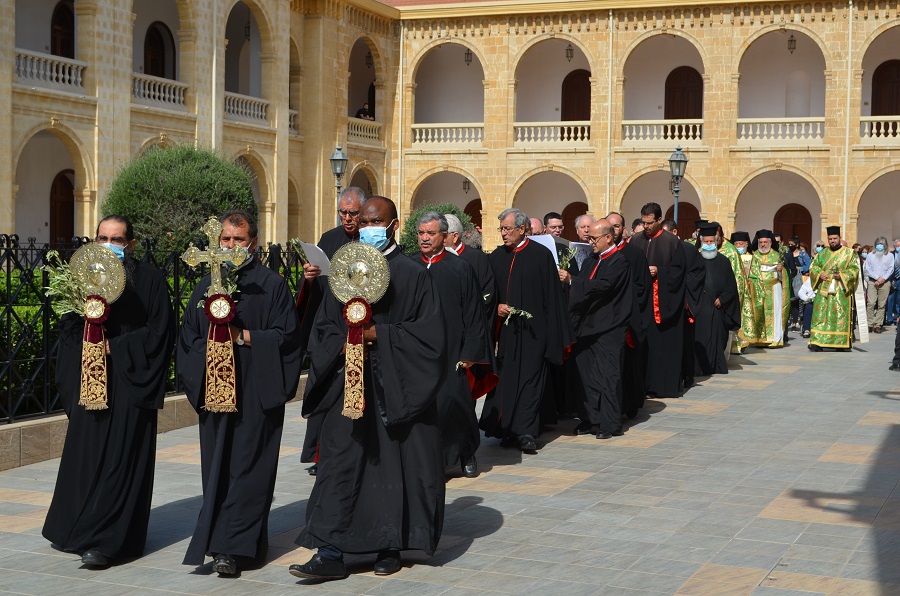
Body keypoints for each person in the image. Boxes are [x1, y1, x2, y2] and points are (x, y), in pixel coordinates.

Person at [291, 196, 446, 580]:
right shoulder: (344, 270)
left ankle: (388, 545)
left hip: (394, 389)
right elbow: (324, 328)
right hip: (348, 384)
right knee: (339, 464)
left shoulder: (412, 274)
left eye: (377, 222)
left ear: (393, 226)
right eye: (363, 222)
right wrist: (345, 340)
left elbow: (430, 337)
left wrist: (381, 334)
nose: (368, 228)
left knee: (389, 467)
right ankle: (329, 552)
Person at [43, 215, 174, 568]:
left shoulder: (149, 279)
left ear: (130, 244)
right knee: (84, 457)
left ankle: (106, 541)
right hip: (91, 381)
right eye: (102, 237)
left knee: (121, 460)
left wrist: (117, 347)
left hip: (130, 383)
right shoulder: (80, 279)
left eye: (117, 239)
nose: (109, 245)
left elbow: (160, 332)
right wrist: (88, 349)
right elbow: (68, 327)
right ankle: (74, 528)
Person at [180, 210, 303, 575]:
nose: (231, 246)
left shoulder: (272, 285)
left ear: (254, 244)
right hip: (214, 392)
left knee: (249, 468)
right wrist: (208, 355)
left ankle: (234, 549)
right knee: (216, 468)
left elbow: (288, 339)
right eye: (225, 239)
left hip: (255, 391)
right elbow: (188, 339)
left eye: (239, 240)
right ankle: (221, 543)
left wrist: (243, 337)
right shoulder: (205, 288)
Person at [479, 208, 572, 452]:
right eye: (501, 229)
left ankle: (527, 432)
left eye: (507, 229)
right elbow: (488, 294)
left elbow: (552, 298)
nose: (503, 234)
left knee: (531, 382)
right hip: (506, 335)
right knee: (506, 382)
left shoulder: (541, 256)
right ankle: (507, 429)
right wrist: (496, 306)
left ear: (522, 229)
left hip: (534, 333)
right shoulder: (497, 257)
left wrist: (554, 335)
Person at [414, 211, 495, 478]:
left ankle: (466, 453)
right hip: (418, 353)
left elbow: (473, 313)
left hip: (453, 353)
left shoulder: (460, 267)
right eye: (421, 233)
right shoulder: (410, 266)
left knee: (457, 405)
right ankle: (429, 460)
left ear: (444, 236)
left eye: (431, 233)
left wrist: (471, 351)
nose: (425, 238)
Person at [296, 186, 367, 475]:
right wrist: (310, 278)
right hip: (328, 328)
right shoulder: (329, 239)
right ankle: (318, 453)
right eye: (343, 212)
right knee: (322, 391)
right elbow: (318, 287)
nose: (347, 218)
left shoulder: (370, 240)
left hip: (359, 328)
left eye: (353, 213)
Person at [561, 219, 632, 439]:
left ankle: (609, 423)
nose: (590, 241)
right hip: (586, 327)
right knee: (585, 376)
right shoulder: (592, 259)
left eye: (594, 238)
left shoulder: (620, 262)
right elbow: (584, 285)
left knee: (608, 377)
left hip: (608, 328)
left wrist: (573, 281)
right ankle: (589, 418)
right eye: (589, 237)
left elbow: (605, 286)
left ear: (608, 238)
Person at [629, 203, 686, 398]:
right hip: (641, 303)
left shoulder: (671, 242)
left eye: (650, 223)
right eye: (643, 222)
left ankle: (661, 386)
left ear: (659, 220)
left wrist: (659, 272)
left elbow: (680, 272)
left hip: (663, 304)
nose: (646, 227)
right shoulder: (636, 240)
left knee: (661, 348)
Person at [607, 212, 651, 419]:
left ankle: (630, 404)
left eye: (617, 226)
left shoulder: (634, 254)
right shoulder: (599, 255)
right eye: (610, 226)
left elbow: (643, 287)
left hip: (629, 321)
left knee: (629, 366)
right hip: (606, 320)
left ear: (623, 230)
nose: (614, 230)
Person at [662, 219, 705, 389]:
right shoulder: (661, 249)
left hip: (684, 303)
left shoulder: (688, 250)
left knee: (685, 341)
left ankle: (686, 374)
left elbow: (698, 273)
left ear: (674, 233)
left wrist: (682, 287)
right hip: (664, 303)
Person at [693, 223, 741, 375]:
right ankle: (700, 368)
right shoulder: (695, 259)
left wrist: (722, 299)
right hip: (699, 308)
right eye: (706, 241)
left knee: (718, 338)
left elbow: (731, 286)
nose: (708, 244)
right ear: (701, 241)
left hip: (717, 308)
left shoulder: (724, 261)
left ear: (717, 241)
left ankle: (716, 366)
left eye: (711, 241)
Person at [808, 226, 860, 352]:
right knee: (820, 316)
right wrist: (819, 273)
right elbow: (813, 267)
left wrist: (841, 275)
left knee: (839, 316)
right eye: (830, 239)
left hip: (840, 291)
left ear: (839, 238)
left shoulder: (849, 253)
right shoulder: (822, 254)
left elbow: (855, 270)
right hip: (824, 291)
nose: (832, 241)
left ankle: (840, 342)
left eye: (835, 238)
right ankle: (817, 342)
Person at [444, 213, 497, 326]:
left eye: (443, 235)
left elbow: (488, 292)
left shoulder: (477, 258)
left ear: (455, 236)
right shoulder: (437, 258)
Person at [741, 230, 789, 348]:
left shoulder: (777, 255)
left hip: (774, 288)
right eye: (761, 242)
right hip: (758, 289)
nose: (763, 244)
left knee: (775, 313)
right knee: (759, 312)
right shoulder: (754, 256)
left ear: (770, 242)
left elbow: (786, 276)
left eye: (765, 242)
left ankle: (775, 339)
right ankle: (759, 339)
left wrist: (781, 270)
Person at [730, 231, 754, 351]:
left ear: (746, 244)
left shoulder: (752, 258)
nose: (739, 246)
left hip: (745, 294)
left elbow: (758, 278)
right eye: (736, 244)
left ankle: (742, 344)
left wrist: (751, 282)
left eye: (741, 244)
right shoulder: (731, 257)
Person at [864, 237, 893, 334]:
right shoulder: (870, 255)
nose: (880, 245)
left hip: (885, 282)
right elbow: (868, 268)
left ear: (885, 245)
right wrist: (877, 278)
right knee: (871, 303)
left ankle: (878, 325)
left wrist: (882, 279)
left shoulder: (889, 256)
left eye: (882, 244)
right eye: (878, 244)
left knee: (882, 305)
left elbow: (891, 269)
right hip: (873, 281)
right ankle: (869, 324)